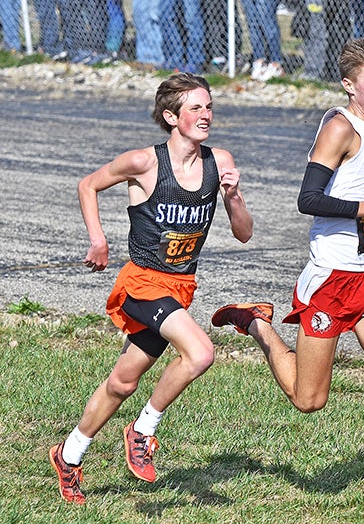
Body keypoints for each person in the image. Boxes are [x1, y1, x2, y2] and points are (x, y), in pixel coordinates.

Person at [211, 37, 364, 521]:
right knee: (308, 400)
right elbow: (308, 199)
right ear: (348, 85)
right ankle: (257, 324)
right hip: (331, 279)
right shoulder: (340, 127)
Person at [49, 72, 254, 504]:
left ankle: (68, 455)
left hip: (179, 289)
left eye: (208, 106)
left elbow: (244, 234)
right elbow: (88, 184)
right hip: (141, 284)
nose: (205, 114)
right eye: (194, 107)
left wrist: (233, 198)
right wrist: (98, 240)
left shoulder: (220, 161)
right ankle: (142, 430)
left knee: (121, 383)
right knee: (200, 353)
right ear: (170, 116)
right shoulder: (144, 162)